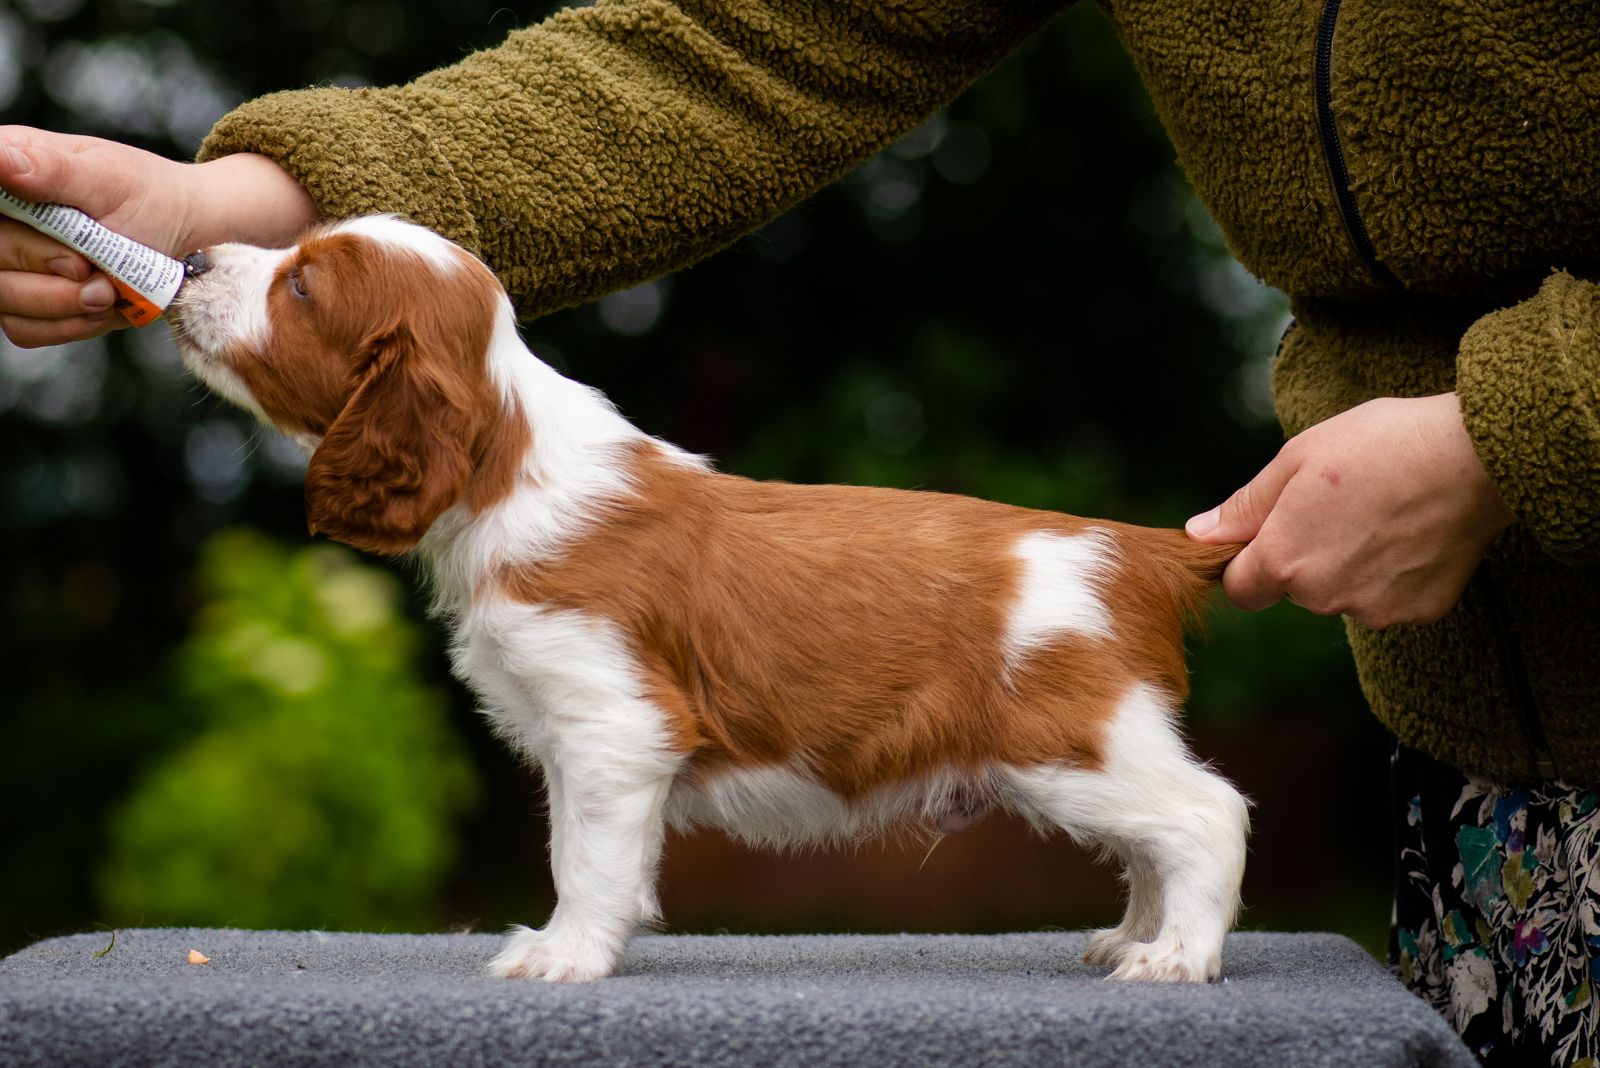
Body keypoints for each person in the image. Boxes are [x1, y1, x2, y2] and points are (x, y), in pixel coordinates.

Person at [0, 1, 1593, 1062]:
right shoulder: (559, 520)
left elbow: (617, 733)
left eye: (297, 289)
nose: (238, 296)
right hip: (1488, 787)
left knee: (1066, 750)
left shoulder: (561, 555)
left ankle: (1189, 850)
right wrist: (242, 200)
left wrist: (1512, 427)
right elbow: (741, 44)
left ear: (399, 410)